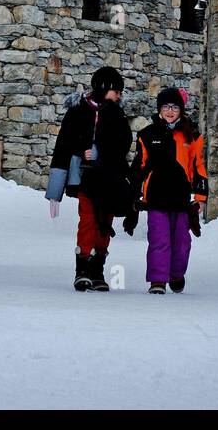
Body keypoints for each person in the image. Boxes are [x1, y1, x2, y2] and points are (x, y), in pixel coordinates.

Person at [45, 65, 132, 292]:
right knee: (88, 220)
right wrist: (56, 191)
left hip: (109, 179)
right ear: (103, 87)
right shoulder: (78, 111)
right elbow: (64, 144)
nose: (119, 95)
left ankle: (97, 269)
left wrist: (102, 153)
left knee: (105, 223)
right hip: (85, 178)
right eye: (116, 90)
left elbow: (123, 144)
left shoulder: (117, 114)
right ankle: (82, 267)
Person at [124, 86, 208, 294]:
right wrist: (133, 194)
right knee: (159, 240)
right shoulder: (147, 134)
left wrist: (200, 196)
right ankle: (158, 280)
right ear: (159, 109)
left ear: (181, 110)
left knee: (182, 242)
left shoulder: (193, 136)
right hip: (156, 197)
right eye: (165, 107)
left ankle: (176, 274)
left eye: (174, 107)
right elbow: (139, 167)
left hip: (181, 198)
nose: (170, 111)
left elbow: (199, 167)